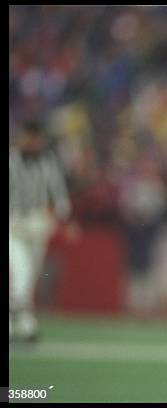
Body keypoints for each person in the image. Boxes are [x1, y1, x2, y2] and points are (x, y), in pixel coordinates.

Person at [9, 120, 73, 342]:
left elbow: (58, 193)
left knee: (31, 275)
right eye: (30, 137)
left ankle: (18, 324)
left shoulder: (47, 162)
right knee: (22, 273)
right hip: (14, 227)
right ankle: (26, 324)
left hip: (38, 227)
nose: (33, 142)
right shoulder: (11, 160)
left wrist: (65, 217)